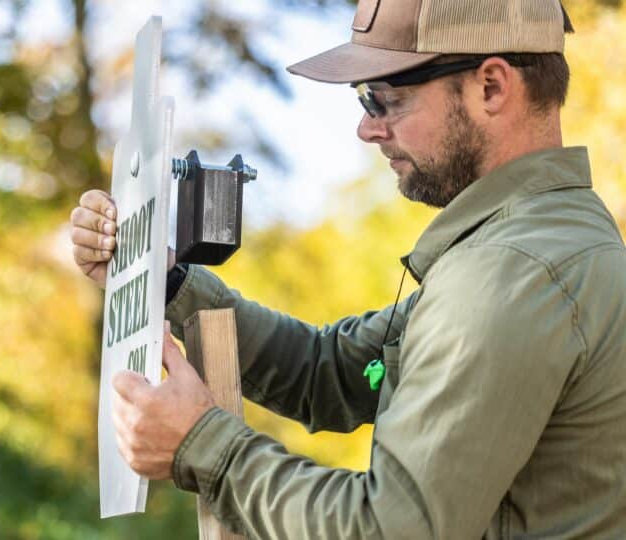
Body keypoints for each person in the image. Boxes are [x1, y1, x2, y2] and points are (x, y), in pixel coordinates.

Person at [69, 1, 626, 538]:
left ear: (491, 87)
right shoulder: (540, 244)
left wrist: (203, 445)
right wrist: (165, 283)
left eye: (385, 100)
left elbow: (389, 529)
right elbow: (327, 371)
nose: (367, 129)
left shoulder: (510, 275)